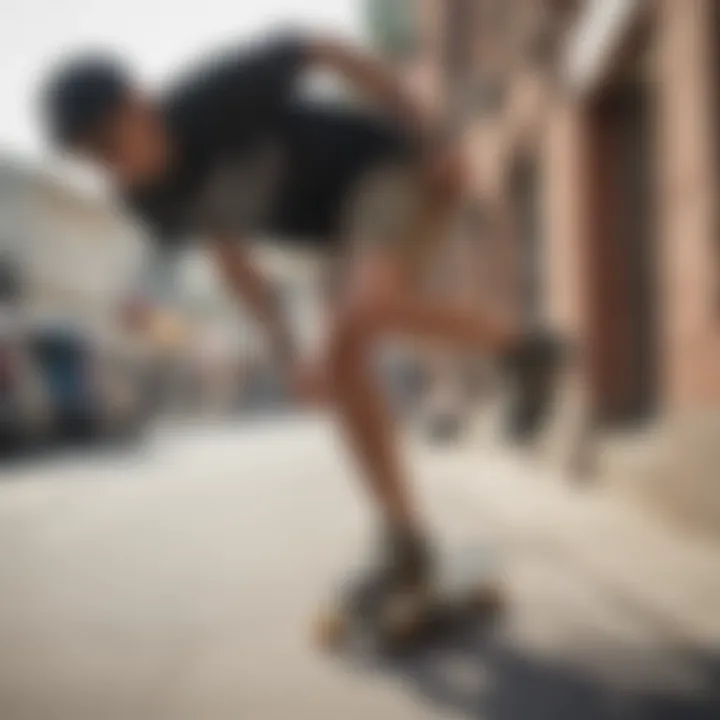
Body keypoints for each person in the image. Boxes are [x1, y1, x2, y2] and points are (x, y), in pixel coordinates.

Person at [39, 31, 562, 612]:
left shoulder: (212, 97)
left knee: (363, 310)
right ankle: (405, 537)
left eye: (111, 143)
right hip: (335, 234)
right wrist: (289, 355)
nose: (113, 168)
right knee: (341, 367)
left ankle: (525, 348)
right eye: (92, 159)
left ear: (139, 105)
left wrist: (432, 136)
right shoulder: (147, 198)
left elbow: (318, 50)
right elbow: (233, 261)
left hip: (389, 167)